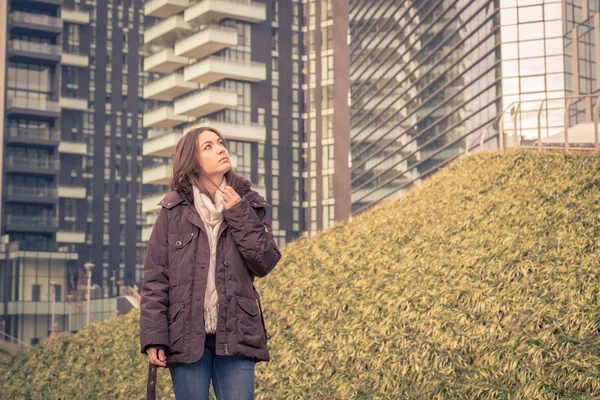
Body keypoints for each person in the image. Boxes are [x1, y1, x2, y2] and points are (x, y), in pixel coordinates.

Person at [139, 127, 282, 399]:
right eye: (208, 146)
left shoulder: (249, 204)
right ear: (191, 161)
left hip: (237, 331)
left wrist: (239, 212)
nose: (220, 148)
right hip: (185, 335)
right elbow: (156, 280)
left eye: (220, 143)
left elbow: (264, 262)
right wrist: (154, 337)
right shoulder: (172, 211)